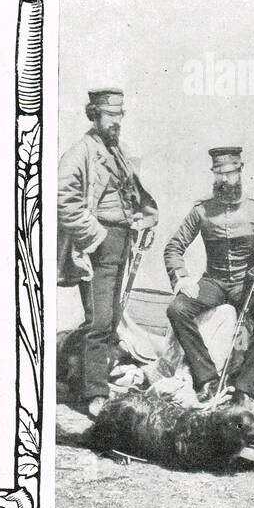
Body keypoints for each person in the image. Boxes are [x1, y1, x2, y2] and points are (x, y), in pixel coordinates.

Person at [57, 87, 158, 420]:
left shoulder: (119, 152)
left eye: (120, 115)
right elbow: (64, 201)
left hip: (122, 240)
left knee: (112, 319)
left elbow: (133, 196)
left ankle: (91, 381)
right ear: (94, 114)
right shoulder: (79, 153)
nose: (116, 122)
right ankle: (95, 395)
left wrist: (143, 221)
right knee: (99, 321)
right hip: (99, 244)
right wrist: (95, 237)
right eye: (110, 115)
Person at [164, 147, 254, 408]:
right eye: (219, 174)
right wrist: (182, 278)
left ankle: (244, 390)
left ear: (240, 171)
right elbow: (173, 247)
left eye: (230, 173)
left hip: (247, 283)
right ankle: (206, 379)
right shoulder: (202, 210)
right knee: (177, 309)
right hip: (214, 282)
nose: (224, 180)